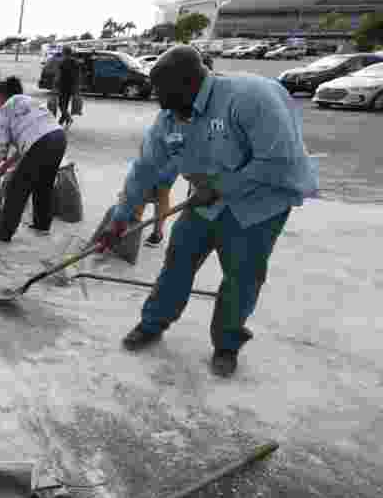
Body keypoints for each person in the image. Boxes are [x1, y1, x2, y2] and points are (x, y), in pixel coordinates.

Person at [97, 45, 317, 378]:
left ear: (188, 83)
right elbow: (145, 168)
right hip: (205, 202)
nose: (156, 95)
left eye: (162, 88)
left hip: (259, 205)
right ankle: (153, 323)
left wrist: (220, 188)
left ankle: (227, 344)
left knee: (241, 276)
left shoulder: (249, 97)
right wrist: (121, 216)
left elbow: (278, 162)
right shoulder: (169, 119)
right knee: (178, 260)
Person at [0, 76, 66, 240]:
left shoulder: (5, 110)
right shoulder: (29, 100)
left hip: (40, 143)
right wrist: (4, 168)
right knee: (44, 184)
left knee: (17, 188)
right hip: (59, 138)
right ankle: (42, 225)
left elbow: (3, 149)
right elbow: (24, 148)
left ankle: (4, 232)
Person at [56, 45, 80, 128]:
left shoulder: (62, 62)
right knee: (65, 104)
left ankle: (68, 118)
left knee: (61, 105)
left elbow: (59, 75)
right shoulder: (76, 62)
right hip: (72, 87)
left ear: (64, 52)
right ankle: (60, 122)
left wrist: (55, 85)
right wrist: (77, 87)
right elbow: (78, 76)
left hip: (63, 86)